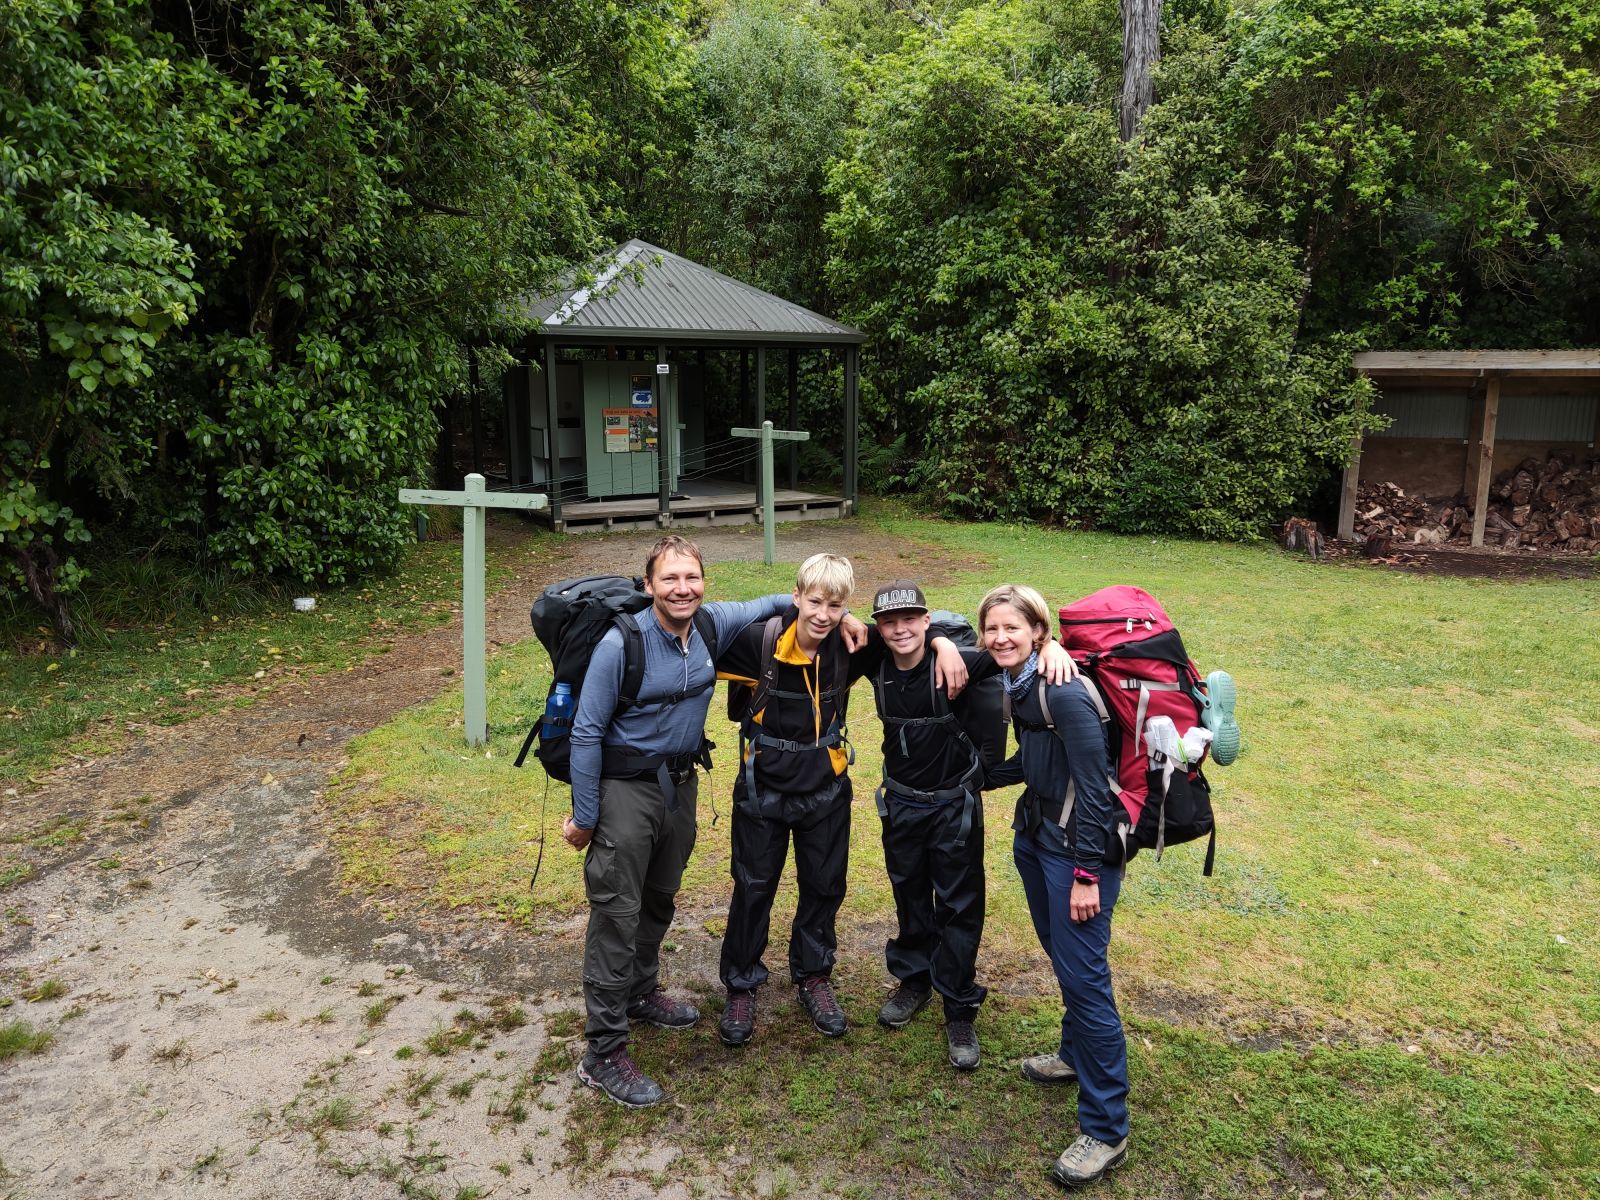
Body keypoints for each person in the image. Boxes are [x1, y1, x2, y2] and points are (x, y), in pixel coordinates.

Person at [562, 535, 866, 1108]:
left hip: (680, 786)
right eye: (670, 578)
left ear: (704, 583)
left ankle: (640, 992)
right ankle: (602, 1052)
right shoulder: (620, 644)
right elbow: (586, 730)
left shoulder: (710, 624)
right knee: (617, 913)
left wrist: (844, 614)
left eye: (692, 578)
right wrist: (585, 814)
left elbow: (779, 600)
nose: (683, 589)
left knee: (660, 897)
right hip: (625, 789)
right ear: (648, 584)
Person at [713, 554, 966, 1047]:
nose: (824, 615)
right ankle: (741, 984)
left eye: (836, 605)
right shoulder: (756, 643)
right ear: (796, 597)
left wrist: (942, 642)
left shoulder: (854, 645)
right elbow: (693, 639)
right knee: (752, 887)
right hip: (762, 789)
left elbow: (909, 633)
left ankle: (814, 976)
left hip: (826, 790)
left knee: (824, 886)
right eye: (815, 602)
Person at [867, 580, 1075, 1071]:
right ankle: (914, 980)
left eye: (911, 619)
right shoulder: (873, 660)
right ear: (879, 629)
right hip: (900, 804)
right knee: (909, 893)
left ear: (926, 620)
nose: (900, 630)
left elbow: (1011, 650)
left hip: (953, 809)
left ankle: (958, 1006)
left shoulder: (964, 663)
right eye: (889, 622)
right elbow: (835, 628)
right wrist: (940, 639)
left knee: (959, 906)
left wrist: (1052, 645)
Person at [979, 583, 1129, 1188]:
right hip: (1037, 838)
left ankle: (1107, 1127)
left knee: (1086, 981)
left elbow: (1095, 789)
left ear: (1039, 632)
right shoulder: (1020, 684)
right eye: (992, 629)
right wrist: (978, 776)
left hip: (1077, 854)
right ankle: (1072, 1055)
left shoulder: (1063, 690)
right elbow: (1037, 757)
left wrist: (1088, 874)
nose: (1000, 638)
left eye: (1012, 628)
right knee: (1065, 961)